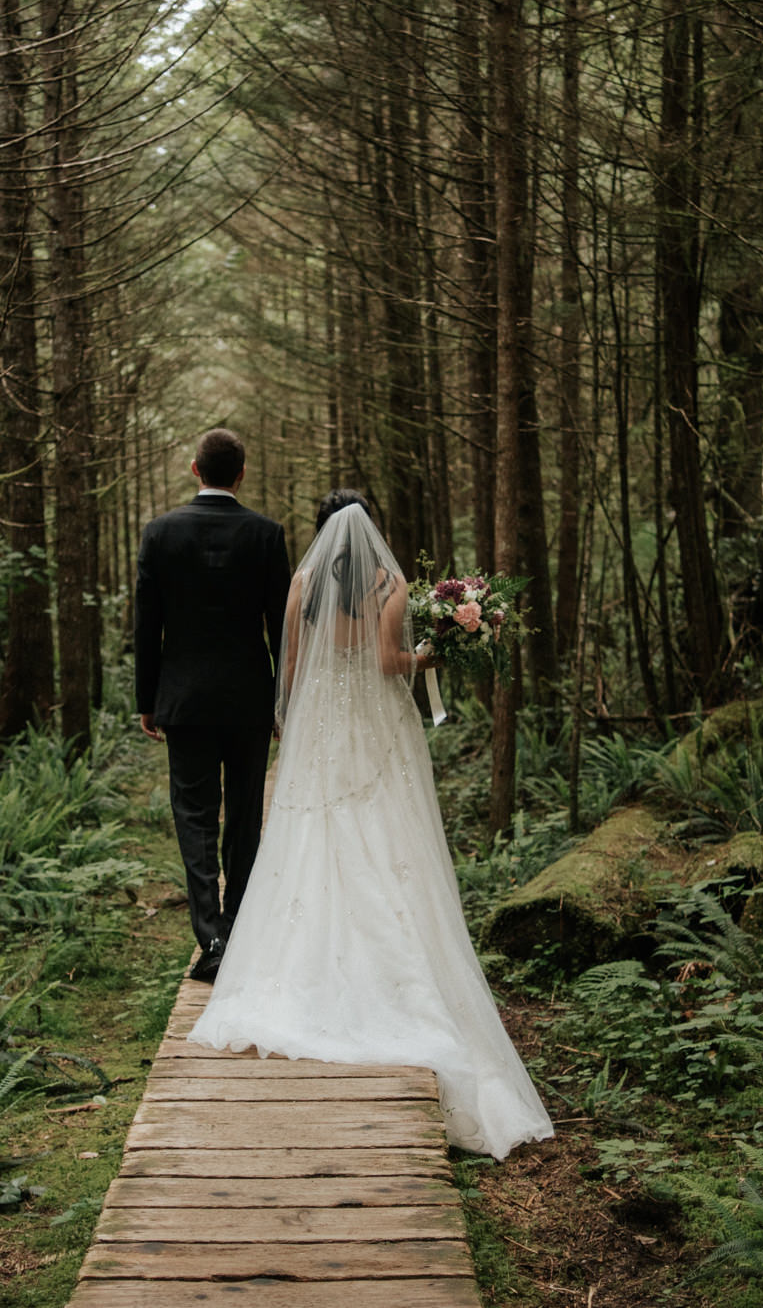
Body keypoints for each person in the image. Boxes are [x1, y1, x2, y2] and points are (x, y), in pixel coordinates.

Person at [187, 490, 555, 1160]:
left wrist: (288, 719)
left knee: (312, 836)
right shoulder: (390, 580)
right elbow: (390, 662)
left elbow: (292, 665)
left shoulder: (301, 581)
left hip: (320, 723)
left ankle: (304, 966)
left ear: (325, 533)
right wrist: (434, 655)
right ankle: (390, 970)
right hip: (373, 722)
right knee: (383, 836)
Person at [135, 428, 292, 985]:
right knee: (244, 817)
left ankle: (214, 937)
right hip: (249, 700)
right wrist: (283, 702)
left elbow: (147, 626)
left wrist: (147, 701)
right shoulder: (267, 535)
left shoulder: (160, 533)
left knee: (195, 817)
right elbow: (281, 629)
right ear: (241, 473)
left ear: (195, 470)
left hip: (185, 701)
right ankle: (237, 925)